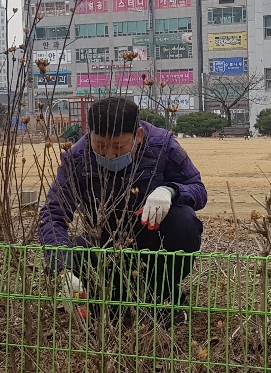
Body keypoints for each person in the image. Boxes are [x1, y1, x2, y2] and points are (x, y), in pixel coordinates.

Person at [40, 97, 206, 327]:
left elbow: (198, 189)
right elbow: (52, 214)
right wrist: (63, 270)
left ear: (138, 135)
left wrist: (170, 191)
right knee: (77, 257)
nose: (109, 154)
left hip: (153, 239)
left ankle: (162, 300)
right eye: (100, 145)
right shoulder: (77, 158)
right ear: (89, 134)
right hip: (104, 242)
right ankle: (106, 301)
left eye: (119, 147)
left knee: (184, 222)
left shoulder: (162, 146)